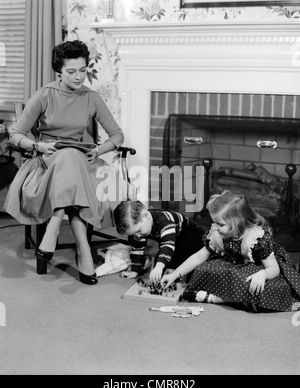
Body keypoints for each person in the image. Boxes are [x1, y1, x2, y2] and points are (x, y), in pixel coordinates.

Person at [4, 40, 125, 285]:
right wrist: (39, 145)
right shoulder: (44, 95)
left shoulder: (92, 98)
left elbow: (117, 135)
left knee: (72, 156)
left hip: (83, 161)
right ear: (59, 71)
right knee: (67, 157)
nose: (79, 76)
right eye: (72, 71)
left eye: (82, 70)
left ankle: (54, 225)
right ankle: (84, 251)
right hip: (48, 162)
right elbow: (16, 134)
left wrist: (99, 150)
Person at [161, 190, 300, 312]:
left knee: (256, 285)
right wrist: (175, 274)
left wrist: (262, 275)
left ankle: (217, 298)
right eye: (214, 222)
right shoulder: (217, 233)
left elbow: (274, 268)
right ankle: (241, 300)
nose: (215, 227)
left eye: (220, 224)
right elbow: (199, 257)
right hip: (230, 267)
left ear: (237, 221)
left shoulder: (256, 238)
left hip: (256, 270)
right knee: (203, 269)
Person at [113, 199, 205, 283]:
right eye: (133, 234)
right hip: (173, 241)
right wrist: (135, 270)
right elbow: (137, 247)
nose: (137, 235)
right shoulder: (140, 228)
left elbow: (167, 245)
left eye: (138, 231)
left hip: (193, 238)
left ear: (146, 216)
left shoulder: (165, 220)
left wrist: (159, 266)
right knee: (161, 267)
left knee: (169, 264)